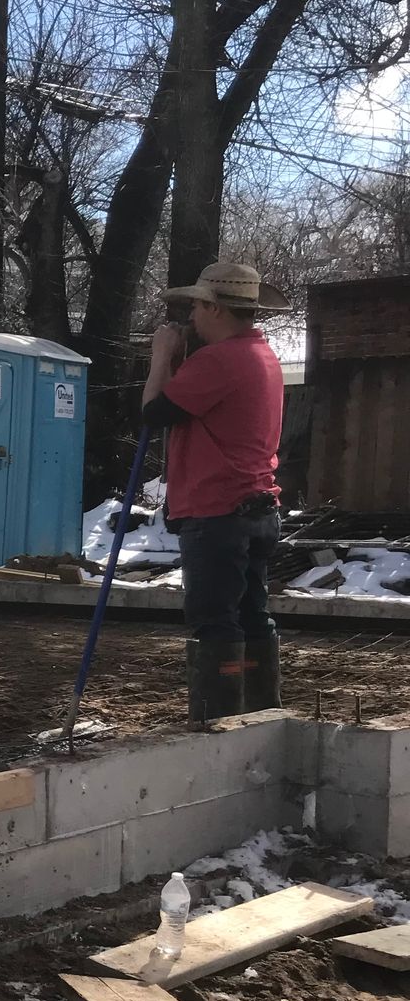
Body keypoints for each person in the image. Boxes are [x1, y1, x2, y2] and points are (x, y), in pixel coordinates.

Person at [140, 261, 289, 723]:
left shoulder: (218, 360)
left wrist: (162, 356)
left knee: (214, 622)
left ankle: (219, 725)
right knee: (250, 614)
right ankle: (261, 715)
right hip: (256, 505)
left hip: (218, 510)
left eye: (196, 309)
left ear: (214, 307)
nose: (191, 320)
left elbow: (153, 414)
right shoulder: (261, 354)